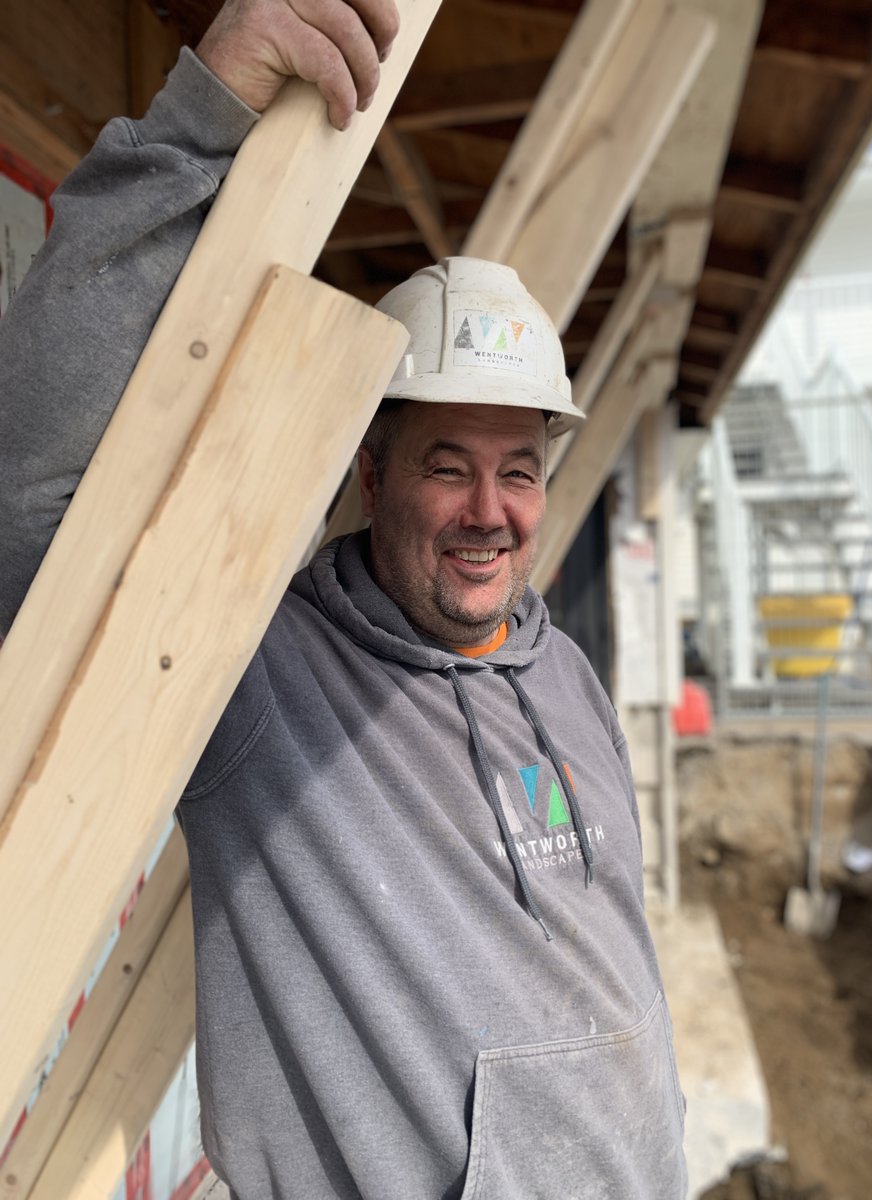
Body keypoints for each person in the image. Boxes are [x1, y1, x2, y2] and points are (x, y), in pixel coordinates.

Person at [0, 1, 687, 1196]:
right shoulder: (259, 686)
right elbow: (30, 503)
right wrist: (202, 119)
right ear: (369, 473)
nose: (492, 511)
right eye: (446, 465)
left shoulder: (563, 676)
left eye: (518, 468)